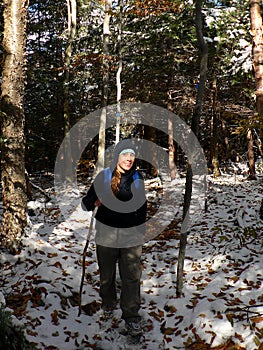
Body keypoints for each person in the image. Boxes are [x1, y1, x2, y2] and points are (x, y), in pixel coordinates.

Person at [81, 139, 147, 338]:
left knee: (131, 277)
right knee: (107, 276)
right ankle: (108, 305)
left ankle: (132, 317)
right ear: (117, 156)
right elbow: (85, 203)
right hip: (107, 233)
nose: (129, 158)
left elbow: (142, 206)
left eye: (132, 155)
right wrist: (95, 199)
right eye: (125, 154)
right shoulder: (104, 177)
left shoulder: (137, 177)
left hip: (130, 235)